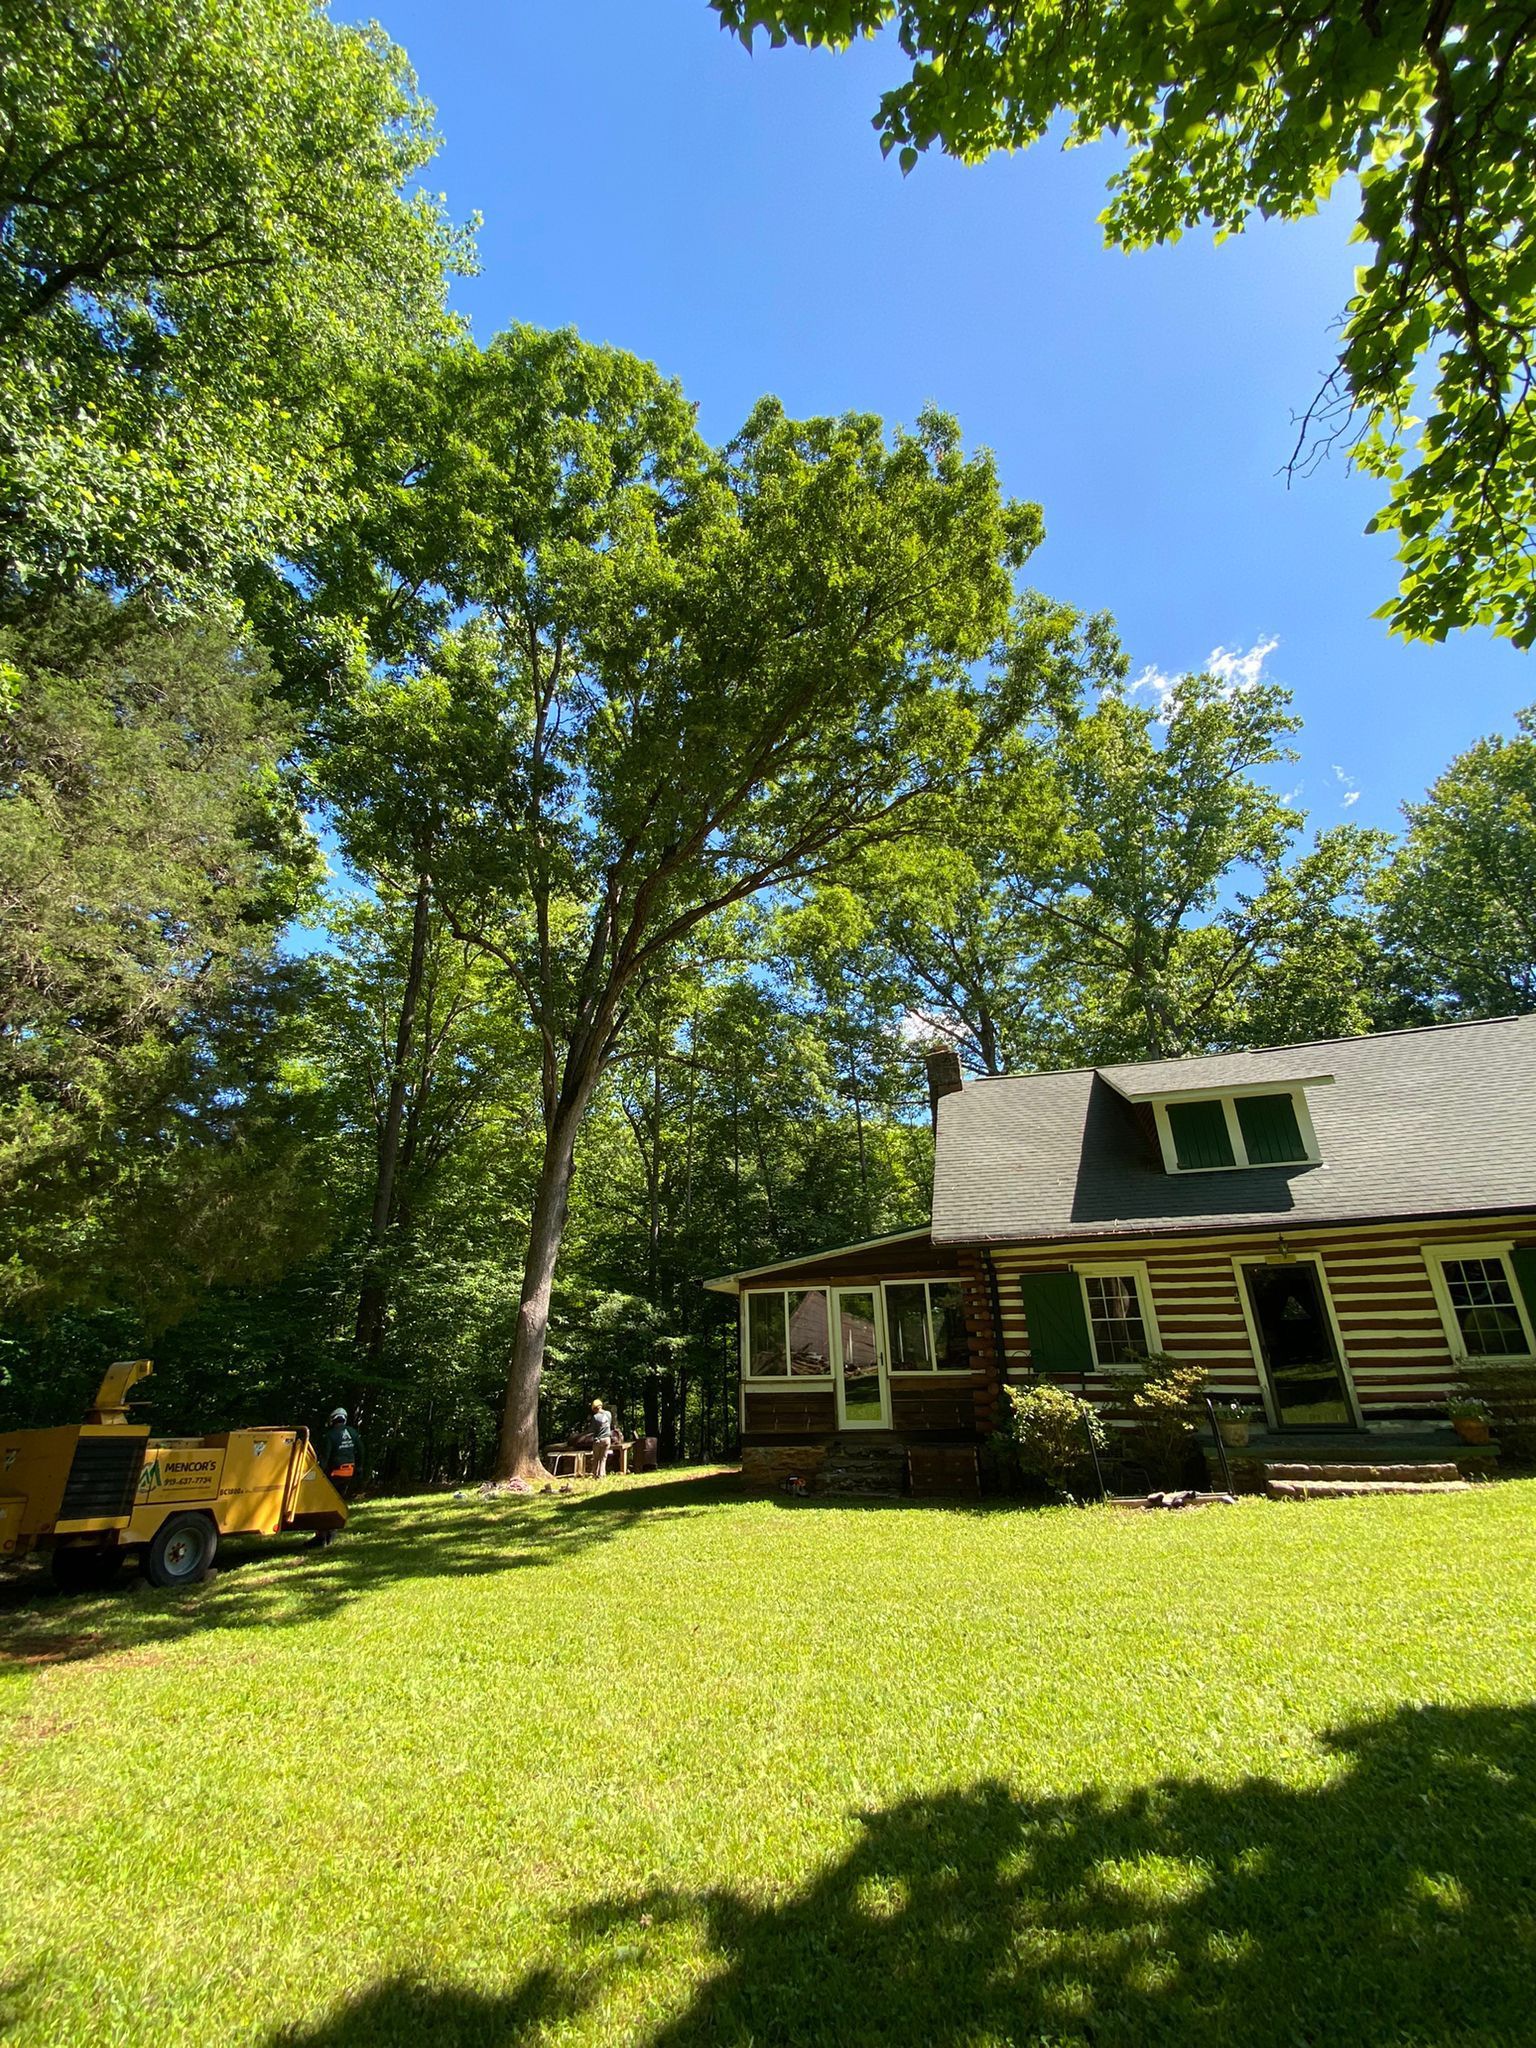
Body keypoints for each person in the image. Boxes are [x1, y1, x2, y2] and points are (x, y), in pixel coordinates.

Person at [310, 1406, 362, 1548]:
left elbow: (326, 1457)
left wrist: (319, 1473)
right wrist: (360, 1467)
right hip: (348, 1473)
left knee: (323, 1504)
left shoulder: (330, 1435)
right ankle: (330, 1532)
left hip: (334, 1474)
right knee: (338, 1501)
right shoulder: (353, 1433)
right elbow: (361, 1451)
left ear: (333, 1420)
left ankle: (322, 1535)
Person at [587, 1397, 613, 1479]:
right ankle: (602, 1475)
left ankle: (594, 1474)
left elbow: (592, 1430)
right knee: (603, 1458)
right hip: (607, 1439)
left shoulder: (595, 1417)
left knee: (596, 1458)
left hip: (599, 1440)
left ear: (595, 1408)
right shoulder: (608, 1414)